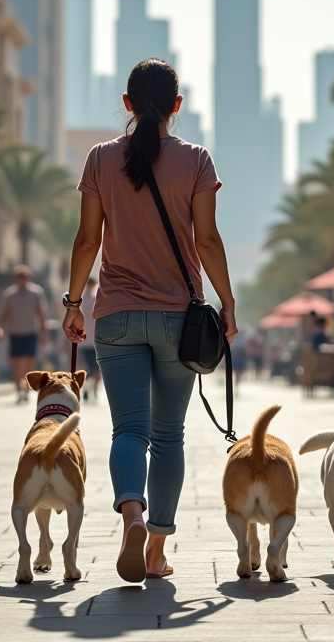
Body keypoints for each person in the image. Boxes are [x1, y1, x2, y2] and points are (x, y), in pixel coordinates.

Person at [62, 58, 236, 583]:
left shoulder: (99, 159)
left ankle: (130, 514)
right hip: (177, 320)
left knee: (128, 430)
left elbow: (88, 239)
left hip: (114, 315)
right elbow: (206, 240)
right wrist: (227, 304)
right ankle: (156, 549)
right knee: (168, 436)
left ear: (127, 104)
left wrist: (73, 304)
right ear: (177, 106)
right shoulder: (197, 160)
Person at [0, 266, 47, 403]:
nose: (22, 280)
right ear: (16, 279)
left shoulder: (36, 293)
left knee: (29, 362)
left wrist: (43, 333)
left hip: (30, 332)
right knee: (16, 363)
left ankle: (27, 388)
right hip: (15, 332)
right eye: (20, 278)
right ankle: (19, 390)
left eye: (25, 278)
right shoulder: (10, 294)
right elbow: (4, 314)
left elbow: (41, 314)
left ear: (28, 278)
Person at [78, 277, 102, 401]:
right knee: (89, 368)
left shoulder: (96, 299)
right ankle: (88, 388)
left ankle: (94, 387)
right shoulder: (80, 300)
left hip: (96, 339)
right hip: (85, 340)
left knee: (97, 369)